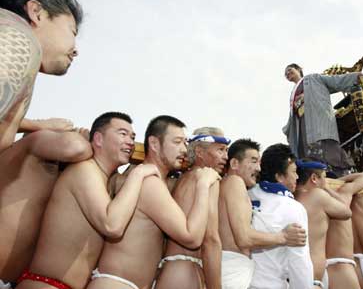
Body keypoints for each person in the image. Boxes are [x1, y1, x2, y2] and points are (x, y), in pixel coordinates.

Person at [15, 112, 160, 289]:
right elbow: (112, 225)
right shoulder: (84, 171)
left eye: (133, 137)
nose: (130, 141)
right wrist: (138, 173)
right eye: (123, 134)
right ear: (98, 139)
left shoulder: (105, 179)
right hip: (47, 284)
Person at [87, 116, 221, 289]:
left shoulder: (148, 179)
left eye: (185, 143)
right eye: (177, 142)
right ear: (154, 144)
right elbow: (192, 237)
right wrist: (203, 185)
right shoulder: (149, 183)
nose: (184, 149)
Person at [0, 127, 92, 286]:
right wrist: (81, 138)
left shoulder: (52, 178)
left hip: (14, 280)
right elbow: (75, 148)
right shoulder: (21, 149)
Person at [0, 0, 83, 153]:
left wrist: (39, 125)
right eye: (72, 31)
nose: (75, 50)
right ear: (36, 13)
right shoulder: (19, 36)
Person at [219, 139, 307, 289]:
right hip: (233, 272)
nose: (258, 168)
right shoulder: (235, 182)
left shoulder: (231, 187)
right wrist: (283, 237)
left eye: (259, 162)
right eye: (253, 161)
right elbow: (244, 238)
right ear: (234, 164)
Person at [156, 127, 228, 289]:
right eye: (221, 150)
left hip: (171, 270)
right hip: (185, 272)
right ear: (199, 152)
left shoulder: (183, 179)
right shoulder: (208, 178)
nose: (226, 157)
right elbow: (211, 240)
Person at [248, 143, 313, 289]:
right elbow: (299, 261)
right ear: (279, 177)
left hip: (237, 282)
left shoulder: (244, 196)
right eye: (294, 172)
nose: (297, 177)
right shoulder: (292, 208)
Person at [282, 63, 362, 176]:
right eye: (286, 73)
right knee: (306, 151)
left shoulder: (313, 78)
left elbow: (334, 81)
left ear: (299, 69)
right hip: (302, 123)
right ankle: (313, 174)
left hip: (317, 119)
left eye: (290, 70)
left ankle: (337, 173)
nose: (288, 73)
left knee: (324, 146)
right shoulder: (292, 94)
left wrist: (354, 78)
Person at [294, 159, 352, 289]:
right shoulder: (317, 195)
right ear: (314, 178)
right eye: (324, 178)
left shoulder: (290, 198)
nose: (326, 182)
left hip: (295, 277)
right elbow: (346, 212)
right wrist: (327, 189)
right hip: (312, 279)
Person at [324, 172, 363, 289]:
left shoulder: (306, 197)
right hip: (342, 268)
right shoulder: (343, 194)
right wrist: (336, 182)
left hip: (320, 270)